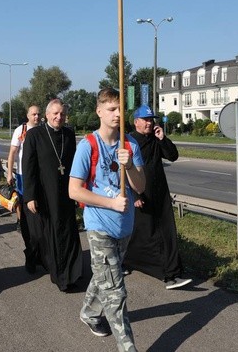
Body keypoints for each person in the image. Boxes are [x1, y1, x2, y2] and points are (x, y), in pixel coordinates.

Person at [68, 88, 145, 352]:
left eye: (120, 108)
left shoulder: (130, 145)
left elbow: (141, 186)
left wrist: (130, 166)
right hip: (99, 226)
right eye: (111, 109)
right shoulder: (87, 145)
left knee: (104, 277)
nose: (117, 114)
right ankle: (128, 347)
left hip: (124, 227)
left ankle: (89, 313)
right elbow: (74, 190)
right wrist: (111, 202)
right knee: (116, 292)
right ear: (99, 112)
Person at [123, 105, 192, 289]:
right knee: (142, 234)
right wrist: (134, 194)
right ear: (136, 122)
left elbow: (173, 156)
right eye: (145, 119)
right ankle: (129, 261)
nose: (149, 123)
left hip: (160, 194)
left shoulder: (156, 138)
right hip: (140, 194)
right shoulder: (129, 141)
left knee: (166, 232)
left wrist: (163, 139)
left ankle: (171, 273)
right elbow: (122, 171)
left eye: (151, 119)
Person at [22, 99, 82, 291]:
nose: (59, 117)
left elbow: (75, 164)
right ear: (46, 115)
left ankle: (73, 272)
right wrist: (30, 195)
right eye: (55, 113)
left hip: (67, 191)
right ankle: (61, 275)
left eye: (62, 114)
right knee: (49, 233)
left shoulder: (69, 134)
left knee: (68, 230)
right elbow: (28, 166)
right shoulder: (34, 135)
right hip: (45, 193)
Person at [6, 105, 41, 230]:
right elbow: (12, 153)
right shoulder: (21, 130)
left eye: (38, 114)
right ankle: (21, 221)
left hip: (39, 173)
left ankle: (36, 222)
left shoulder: (42, 129)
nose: (37, 117)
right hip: (23, 173)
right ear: (28, 116)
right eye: (34, 114)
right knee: (22, 199)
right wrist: (10, 173)